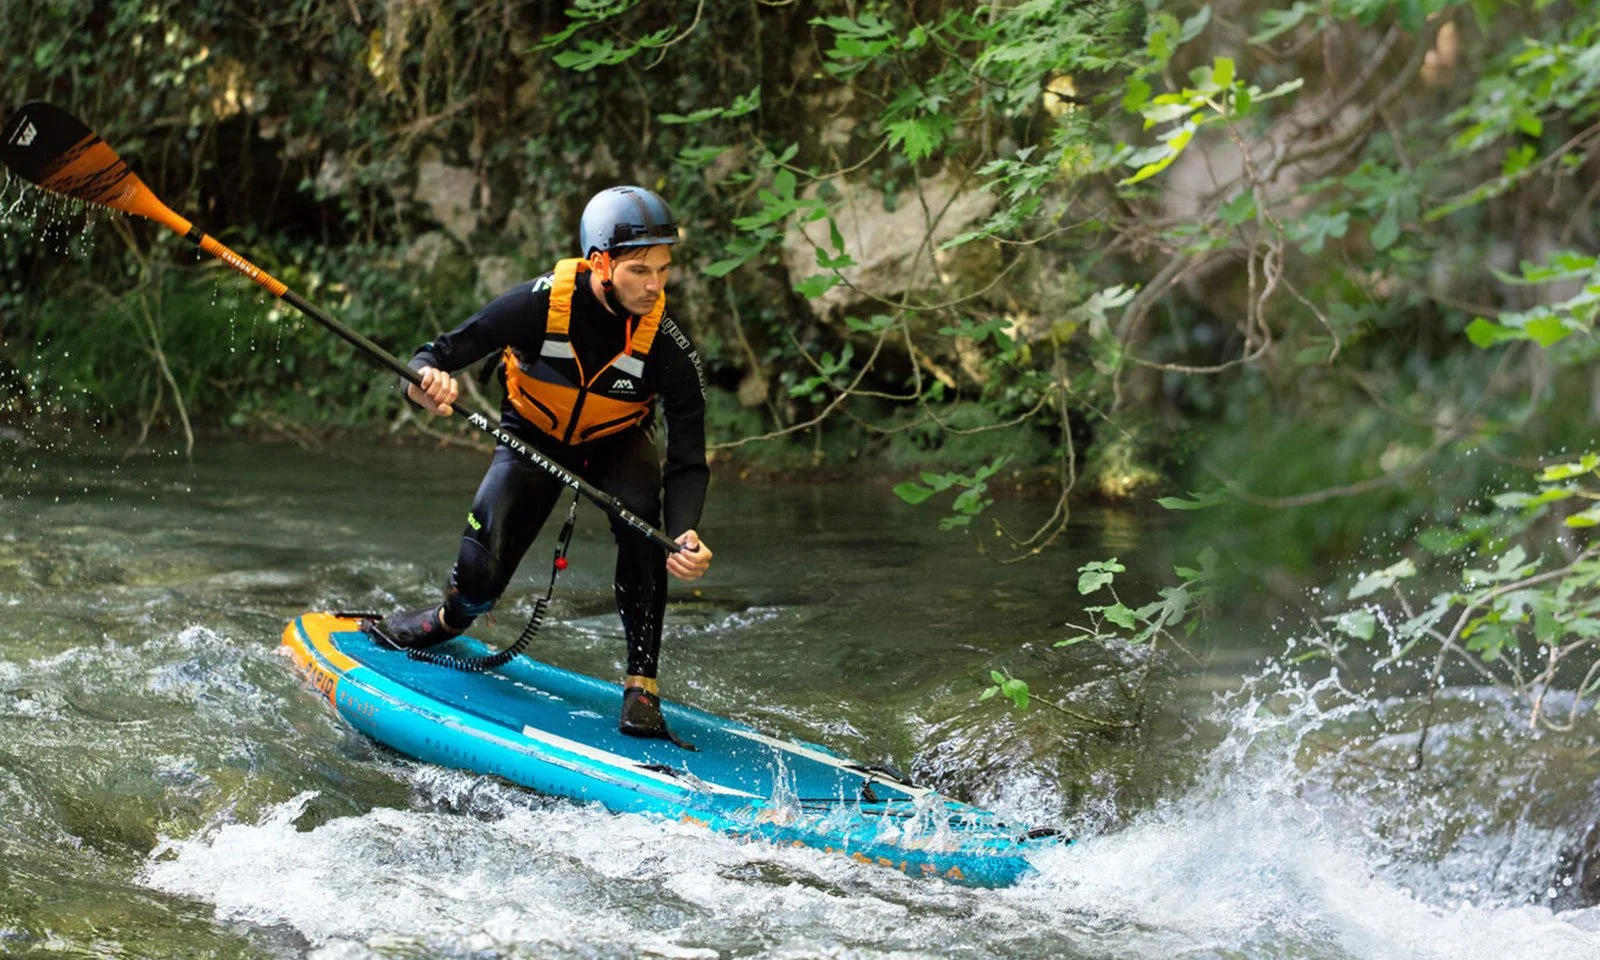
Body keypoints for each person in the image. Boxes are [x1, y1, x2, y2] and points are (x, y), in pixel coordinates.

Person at [368, 185, 713, 739]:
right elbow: (436, 354)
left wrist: (687, 531)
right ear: (601, 263)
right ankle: (448, 620)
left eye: (664, 270)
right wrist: (426, 384)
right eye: (640, 271)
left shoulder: (667, 345)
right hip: (534, 436)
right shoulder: (538, 303)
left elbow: (689, 459)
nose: (655, 285)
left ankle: (641, 685)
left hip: (615, 443)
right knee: (480, 572)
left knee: (644, 518)